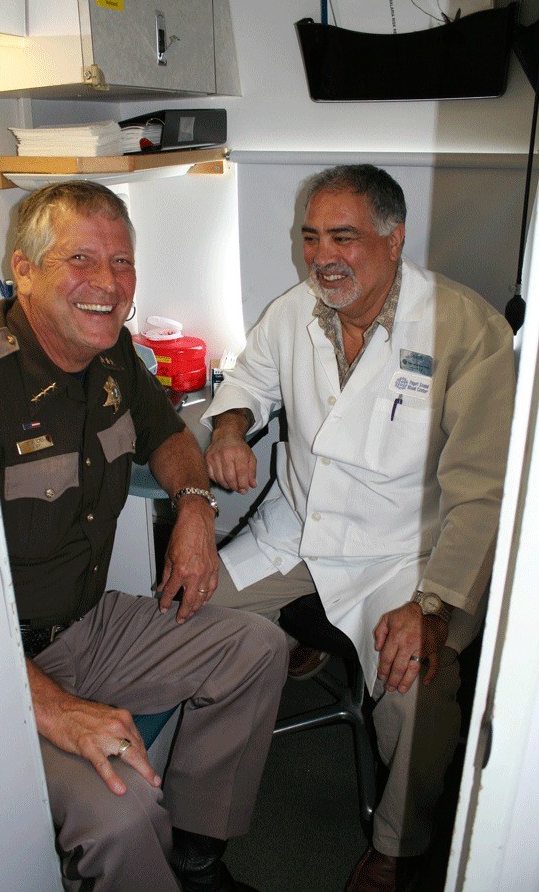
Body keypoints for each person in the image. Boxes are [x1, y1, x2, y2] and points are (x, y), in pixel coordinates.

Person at [202, 165, 515, 892]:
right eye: (310, 237)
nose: (322, 256)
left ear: (394, 238)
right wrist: (228, 428)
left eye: (343, 236)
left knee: (415, 682)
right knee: (193, 609)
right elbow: (247, 379)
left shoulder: (466, 331)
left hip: (404, 558)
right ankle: (252, 688)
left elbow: (481, 495)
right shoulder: (296, 311)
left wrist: (434, 608)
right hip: (297, 534)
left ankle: (400, 846)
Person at [0, 180, 288, 892]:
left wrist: (196, 509)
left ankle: (197, 859)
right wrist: (54, 710)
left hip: (87, 627)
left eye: (122, 262)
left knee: (255, 647)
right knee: (119, 817)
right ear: (23, 270)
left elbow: (170, 437)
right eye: (80, 259)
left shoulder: (113, 356)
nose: (108, 284)